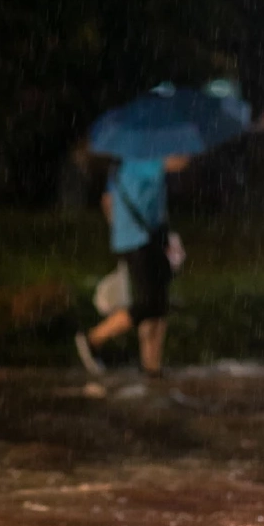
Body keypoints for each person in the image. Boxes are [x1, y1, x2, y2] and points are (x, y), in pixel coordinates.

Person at [75, 153, 190, 377]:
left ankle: (152, 366)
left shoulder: (120, 167)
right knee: (148, 303)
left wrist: (119, 229)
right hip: (141, 240)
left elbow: (107, 201)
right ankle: (94, 338)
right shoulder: (143, 161)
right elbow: (178, 163)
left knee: (158, 303)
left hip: (145, 238)